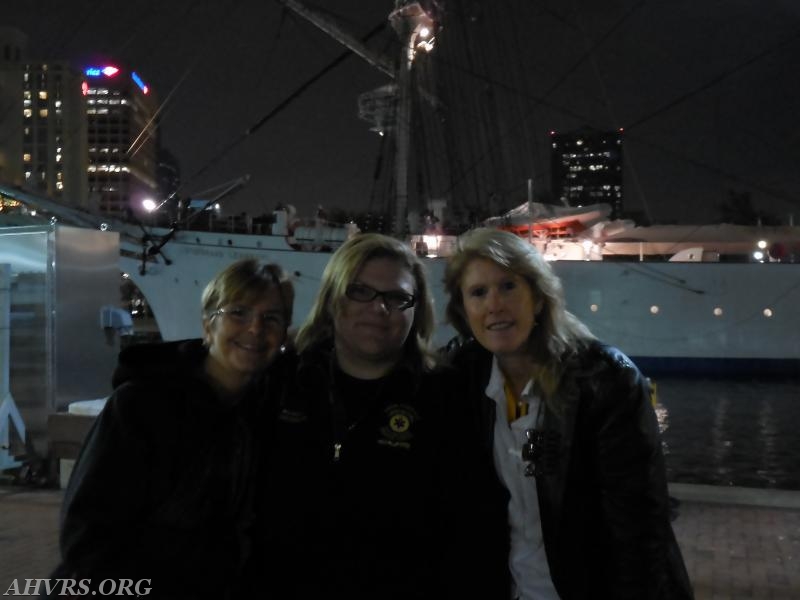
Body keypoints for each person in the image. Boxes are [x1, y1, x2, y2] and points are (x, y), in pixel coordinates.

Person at [251, 233, 507, 599]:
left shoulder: (446, 397)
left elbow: (476, 529)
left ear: (416, 309)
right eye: (360, 291)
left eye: (397, 297)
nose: (379, 308)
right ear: (332, 298)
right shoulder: (283, 380)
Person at [443, 228, 694, 600]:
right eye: (478, 293)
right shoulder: (464, 379)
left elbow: (638, 529)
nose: (494, 305)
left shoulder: (605, 380)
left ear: (539, 299)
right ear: (464, 312)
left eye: (508, 287)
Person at [49, 259, 293, 599]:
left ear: (284, 334)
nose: (255, 328)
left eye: (272, 318)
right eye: (238, 312)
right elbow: (86, 537)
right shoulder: (141, 406)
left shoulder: (266, 413)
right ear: (209, 325)